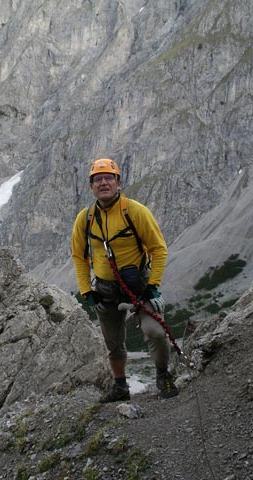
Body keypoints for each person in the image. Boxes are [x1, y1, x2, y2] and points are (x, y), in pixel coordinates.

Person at [71, 158, 179, 402]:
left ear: (119, 182)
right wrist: (86, 291)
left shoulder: (136, 211)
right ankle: (121, 387)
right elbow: (79, 256)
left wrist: (153, 285)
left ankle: (163, 376)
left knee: (156, 332)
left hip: (139, 287)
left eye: (109, 178)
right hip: (105, 289)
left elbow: (159, 248)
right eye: (97, 179)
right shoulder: (85, 219)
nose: (104, 183)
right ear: (91, 187)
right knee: (113, 343)